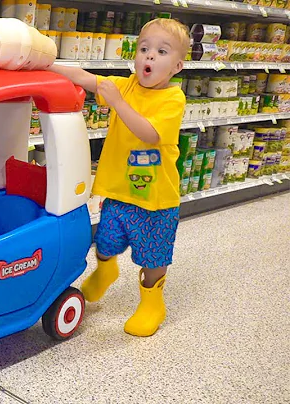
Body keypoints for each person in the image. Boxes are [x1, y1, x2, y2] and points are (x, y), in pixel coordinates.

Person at [49, 18, 190, 337]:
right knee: (106, 239)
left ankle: (152, 302)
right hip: (118, 189)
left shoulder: (172, 99)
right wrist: (47, 64)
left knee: (153, 255)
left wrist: (117, 102)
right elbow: (85, 78)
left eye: (161, 51)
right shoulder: (125, 85)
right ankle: (106, 270)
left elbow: (150, 134)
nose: (149, 56)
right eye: (144, 49)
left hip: (155, 199)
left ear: (177, 66)